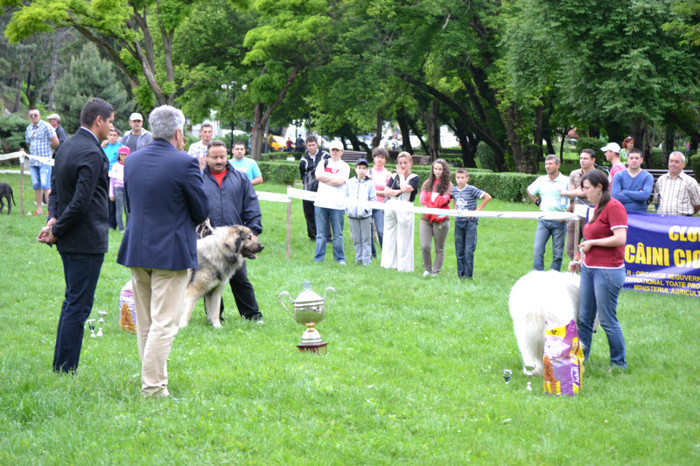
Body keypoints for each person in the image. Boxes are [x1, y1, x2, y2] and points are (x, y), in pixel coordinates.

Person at [117, 105, 209, 398]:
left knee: (146, 322)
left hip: (137, 247)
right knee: (164, 324)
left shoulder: (131, 161)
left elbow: (129, 205)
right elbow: (201, 209)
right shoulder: (185, 163)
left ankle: (155, 381)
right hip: (170, 252)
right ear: (178, 132)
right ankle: (154, 389)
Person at [36, 97, 115, 374]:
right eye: (111, 121)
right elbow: (81, 202)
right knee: (78, 306)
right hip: (84, 241)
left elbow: (54, 192)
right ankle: (66, 369)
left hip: (70, 238)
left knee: (72, 301)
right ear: (99, 120)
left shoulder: (66, 146)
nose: (112, 127)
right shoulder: (92, 153)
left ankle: (62, 366)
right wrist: (55, 228)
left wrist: (53, 219)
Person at [568, 169, 628, 371]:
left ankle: (618, 362)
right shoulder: (595, 208)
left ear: (599, 187)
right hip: (589, 269)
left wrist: (593, 243)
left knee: (607, 319)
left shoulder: (614, 206)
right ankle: (580, 360)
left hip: (608, 271)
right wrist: (580, 259)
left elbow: (620, 238)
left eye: (587, 188)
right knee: (584, 319)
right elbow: (589, 239)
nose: (584, 192)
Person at [203, 140, 264, 322]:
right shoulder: (198, 179)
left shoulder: (241, 178)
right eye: (214, 157)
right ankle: (214, 317)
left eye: (222, 156)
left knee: (241, 279)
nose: (219, 160)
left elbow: (252, 205)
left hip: (235, 242)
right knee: (210, 280)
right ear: (207, 157)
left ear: (227, 155)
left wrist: (253, 231)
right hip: (209, 241)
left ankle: (252, 315)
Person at [527, 154, 569, 271]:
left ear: (558, 165)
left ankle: (554, 274)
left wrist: (565, 216)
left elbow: (572, 199)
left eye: (550, 164)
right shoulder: (541, 180)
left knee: (557, 252)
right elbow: (529, 190)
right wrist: (537, 202)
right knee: (538, 249)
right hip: (544, 220)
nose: (547, 166)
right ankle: (537, 273)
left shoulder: (566, 181)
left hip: (560, 220)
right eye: (546, 164)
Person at [381, 152, 420, 272]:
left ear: (410, 163)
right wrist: (397, 191)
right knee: (389, 235)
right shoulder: (393, 176)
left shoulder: (414, 177)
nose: (402, 166)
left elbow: (406, 188)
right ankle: (389, 264)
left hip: (405, 206)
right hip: (391, 205)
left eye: (405, 163)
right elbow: (386, 191)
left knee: (404, 237)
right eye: (400, 163)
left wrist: (402, 177)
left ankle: (404, 267)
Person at [313, 140, 350, 264]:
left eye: (337, 150)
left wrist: (326, 179)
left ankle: (340, 259)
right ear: (330, 151)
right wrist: (333, 179)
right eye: (333, 150)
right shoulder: (323, 162)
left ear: (342, 152)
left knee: (338, 234)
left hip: (337, 205)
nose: (335, 152)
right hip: (320, 203)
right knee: (320, 234)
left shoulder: (345, 166)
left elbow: (340, 182)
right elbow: (318, 176)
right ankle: (318, 258)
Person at [452, 168, 491, 279]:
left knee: (468, 250)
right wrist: (455, 211)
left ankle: (468, 276)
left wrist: (477, 210)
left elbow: (487, 197)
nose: (460, 180)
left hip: (470, 222)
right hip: (459, 222)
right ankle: (460, 275)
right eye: (458, 178)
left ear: (467, 178)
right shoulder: (454, 190)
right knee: (459, 250)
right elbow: (454, 199)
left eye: (462, 178)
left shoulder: (471, 189)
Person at [419, 159, 453, 277]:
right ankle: (427, 269)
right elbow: (422, 200)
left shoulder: (448, 185)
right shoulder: (427, 183)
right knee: (425, 246)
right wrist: (434, 203)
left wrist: (432, 203)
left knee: (439, 248)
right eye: (435, 169)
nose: (437, 171)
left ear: (444, 170)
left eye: (440, 169)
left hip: (441, 219)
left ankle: (436, 271)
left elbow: (444, 200)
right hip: (426, 219)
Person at [562, 149, 597, 260]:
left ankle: (586, 270)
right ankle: (577, 268)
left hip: (591, 214)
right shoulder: (574, 173)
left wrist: (576, 192)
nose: (582, 161)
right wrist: (576, 192)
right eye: (581, 158)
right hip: (576, 213)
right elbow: (571, 195)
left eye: (585, 158)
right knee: (570, 248)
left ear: (593, 160)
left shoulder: (598, 175)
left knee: (589, 247)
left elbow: (597, 195)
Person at [26, 108, 59, 215]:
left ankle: (50, 211)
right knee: (36, 185)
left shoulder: (46, 126)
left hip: (45, 160)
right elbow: (28, 143)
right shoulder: (29, 128)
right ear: (29, 117)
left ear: (39, 115)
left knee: (46, 185)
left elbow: (55, 141)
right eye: (31, 115)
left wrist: (51, 152)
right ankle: (39, 209)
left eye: (35, 115)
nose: (33, 117)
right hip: (33, 162)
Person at [346, 158, 377, 266]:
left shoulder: (370, 184)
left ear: (367, 170)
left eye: (364, 168)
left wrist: (366, 209)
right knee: (356, 239)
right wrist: (348, 208)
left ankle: (366, 261)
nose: (361, 170)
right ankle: (358, 259)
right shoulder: (349, 182)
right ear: (355, 169)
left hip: (365, 215)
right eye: (359, 168)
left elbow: (373, 199)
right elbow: (346, 197)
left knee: (366, 239)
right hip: (352, 214)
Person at [299, 135, 330, 240]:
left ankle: (327, 236)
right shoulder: (304, 160)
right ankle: (313, 236)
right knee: (309, 213)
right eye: (309, 145)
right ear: (306, 146)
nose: (312, 147)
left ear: (317, 144)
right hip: (308, 189)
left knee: (324, 213)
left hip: (323, 189)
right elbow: (302, 174)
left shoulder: (325, 156)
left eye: (313, 145)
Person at [654, 151, 700, 216]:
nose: (673, 164)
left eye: (677, 162)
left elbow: (697, 204)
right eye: (671, 161)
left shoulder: (690, 182)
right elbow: (656, 201)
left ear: (683, 165)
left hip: (682, 221)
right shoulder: (661, 180)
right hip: (662, 221)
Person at [369, 147, 392, 258]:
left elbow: (387, 192)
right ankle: (372, 254)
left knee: (381, 231)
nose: (380, 159)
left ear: (385, 160)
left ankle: (386, 254)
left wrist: (373, 192)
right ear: (374, 158)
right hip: (368, 205)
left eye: (382, 158)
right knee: (368, 232)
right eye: (378, 157)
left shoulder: (388, 174)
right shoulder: (368, 172)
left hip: (381, 205)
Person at [102, 128, 123, 230]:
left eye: (114, 135)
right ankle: (105, 220)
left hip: (115, 175)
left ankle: (112, 223)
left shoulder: (120, 148)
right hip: (104, 174)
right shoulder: (104, 146)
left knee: (113, 199)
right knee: (104, 198)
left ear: (118, 137)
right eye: (110, 135)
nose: (112, 137)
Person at [109, 146, 130, 232]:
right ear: (119, 155)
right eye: (122, 155)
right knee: (119, 209)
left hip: (128, 188)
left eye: (125, 155)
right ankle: (121, 228)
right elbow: (112, 180)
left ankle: (129, 227)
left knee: (128, 209)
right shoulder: (115, 165)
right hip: (118, 188)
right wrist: (111, 193)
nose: (123, 157)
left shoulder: (130, 165)